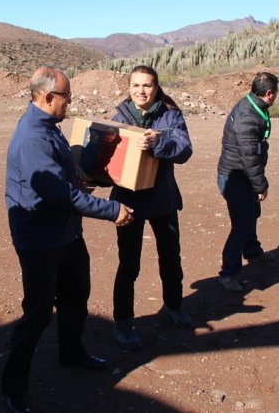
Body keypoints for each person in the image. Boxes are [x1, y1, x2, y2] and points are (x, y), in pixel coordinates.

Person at [2, 66, 133, 413]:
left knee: (76, 296)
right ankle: (14, 386)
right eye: (67, 98)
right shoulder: (33, 138)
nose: (70, 104)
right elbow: (59, 195)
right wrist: (111, 210)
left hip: (65, 232)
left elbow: (62, 178)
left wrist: (78, 178)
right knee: (38, 312)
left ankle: (72, 353)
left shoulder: (48, 127)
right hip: (40, 240)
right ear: (47, 98)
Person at [108, 65, 193, 351]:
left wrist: (159, 141)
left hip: (162, 200)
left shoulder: (170, 114)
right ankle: (123, 322)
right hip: (128, 202)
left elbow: (184, 149)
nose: (141, 91)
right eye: (136, 85)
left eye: (147, 85)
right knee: (128, 264)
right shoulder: (119, 116)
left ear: (156, 87)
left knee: (171, 257)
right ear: (128, 87)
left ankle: (173, 306)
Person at [216, 72, 279, 293]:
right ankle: (228, 273)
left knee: (252, 213)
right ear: (269, 93)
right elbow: (249, 156)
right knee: (241, 225)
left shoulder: (253, 105)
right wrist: (260, 185)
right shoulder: (248, 116)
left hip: (242, 175)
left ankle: (252, 251)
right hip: (235, 177)